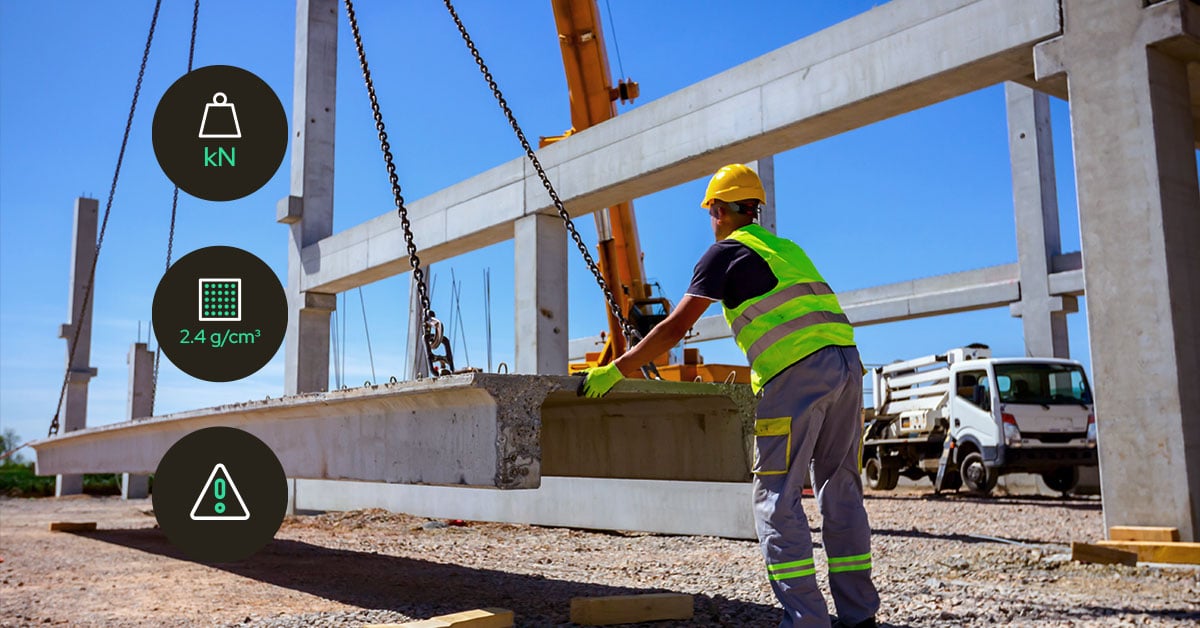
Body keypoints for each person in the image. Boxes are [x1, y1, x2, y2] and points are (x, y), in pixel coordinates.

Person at [580, 164, 880, 628]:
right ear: (754, 208)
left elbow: (675, 328)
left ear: (719, 210)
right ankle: (859, 617)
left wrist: (617, 369)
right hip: (847, 367)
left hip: (795, 372)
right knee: (840, 490)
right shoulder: (786, 249)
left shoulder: (723, 254)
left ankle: (807, 621)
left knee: (776, 499)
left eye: (711, 211)